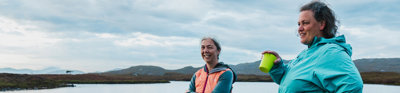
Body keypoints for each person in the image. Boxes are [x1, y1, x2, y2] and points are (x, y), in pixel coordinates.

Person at [262, 1, 363, 93]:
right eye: (299, 24)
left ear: (322, 24)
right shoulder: (307, 54)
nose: (300, 29)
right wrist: (278, 66)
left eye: (305, 23)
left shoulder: (330, 52)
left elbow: (353, 85)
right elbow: (289, 83)